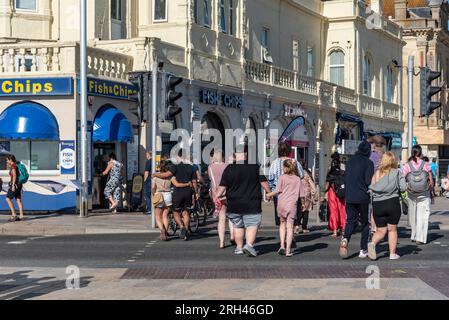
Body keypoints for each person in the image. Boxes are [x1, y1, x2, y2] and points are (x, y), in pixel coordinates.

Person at [215, 146, 271, 257]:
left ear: (236, 154)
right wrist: (269, 193)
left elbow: (221, 188)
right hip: (252, 203)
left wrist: (216, 197)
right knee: (252, 224)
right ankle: (249, 245)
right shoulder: (254, 167)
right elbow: (263, 181)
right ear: (246, 154)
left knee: (237, 226)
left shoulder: (229, 168)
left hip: (234, 203)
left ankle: (239, 247)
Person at [368, 152, 407, 260]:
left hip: (377, 205)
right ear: (393, 161)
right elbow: (403, 187)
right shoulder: (397, 172)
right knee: (392, 230)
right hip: (392, 203)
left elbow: (371, 188)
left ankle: (372, 243)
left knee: (381, 231)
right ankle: (392, 254)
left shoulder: (376, 173)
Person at [339, 141, 374, 259]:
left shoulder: (350, 161)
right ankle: (363, 250)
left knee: (350, 221)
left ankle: (345, 238)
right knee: (365, 223)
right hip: (363, 197)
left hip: (349, 196)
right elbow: (368, 181)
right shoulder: (369, 163)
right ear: (368, 151)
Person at [153, 151, 197, 241]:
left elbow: (166, 175)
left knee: (175, 212)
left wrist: (155, 174)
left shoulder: (175, 166)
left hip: (178, 193)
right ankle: (186, 232)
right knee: (186, 212)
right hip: (188, 191)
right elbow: (194, 182)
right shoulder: (192, 168)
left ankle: (181, 226)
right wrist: (195, 193)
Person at [267, 160, 303, 257]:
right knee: (290, 227)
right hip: (292, 205)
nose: (283, 169)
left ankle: (282, 245)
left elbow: (278, 190)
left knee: (282, 224)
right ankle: (288, 250)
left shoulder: (282, 177)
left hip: (282, 204)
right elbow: (302, 194)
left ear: (287, 168)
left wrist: (269, 194)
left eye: (283, 167)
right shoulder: (297, 179)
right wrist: (303, 204)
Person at [403, 145, 433, 245]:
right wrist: (431, 190)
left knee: (413, 215)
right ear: (420, 152)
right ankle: (420, 238)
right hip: (424, 193)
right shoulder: (426, 164)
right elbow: (431, 180)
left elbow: (403, 179)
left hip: (411, 193)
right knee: (423, 215)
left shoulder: (407, 165)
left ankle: (413, 235)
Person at [268, 143, 304, 227]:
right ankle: (291, 235)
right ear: (289, 151)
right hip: (293, 193)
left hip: (279, 194)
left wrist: (271, 192)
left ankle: (283, 234)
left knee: (282, 219)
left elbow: (271, 178)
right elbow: (302, 175)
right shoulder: (294, 161)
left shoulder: (274, 163)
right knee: (292, 216)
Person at [209, 150, 235, 249]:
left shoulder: (210, 167)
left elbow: (211, 180)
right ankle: (232, 236)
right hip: (229, 193)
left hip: (216, 194)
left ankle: (221, 241)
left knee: (222, 218)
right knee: (231, 216)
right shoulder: (228, 166)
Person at [368, 135, 386, 234]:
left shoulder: (369, 155)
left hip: (370, 182)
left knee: (371, 204)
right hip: (380, 183)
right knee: (376, 205)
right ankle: (375, 225)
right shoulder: (382, 155)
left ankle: (372, 225)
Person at [324, 157, 346, 238]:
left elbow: (326, 186)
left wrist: (324, 193)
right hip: (341, 193)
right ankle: (343, 229)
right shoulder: (342, 172)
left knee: (333, 211)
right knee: (342, 210)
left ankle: (335, 231)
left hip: (332, 193)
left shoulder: (330, 173)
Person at [297, 158, 317, 234]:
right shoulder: (307, 173)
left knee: (299, 210)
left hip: (298, 194)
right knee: (306, 211)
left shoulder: (296, 173)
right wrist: (314, 193)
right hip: (306, 194)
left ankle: (298, 226)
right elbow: (311, 184)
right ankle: (304, 227)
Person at [5, 155, 24, 222]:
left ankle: (14, 215)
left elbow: (15, 176)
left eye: (7, 160)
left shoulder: (13, 166)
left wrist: (13, 185)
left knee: (7, 199)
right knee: (18, 199)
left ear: (10, 160)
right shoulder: (16, 165)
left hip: (15, 185)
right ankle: (21, 215)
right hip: (19, 184)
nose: (7, 161)